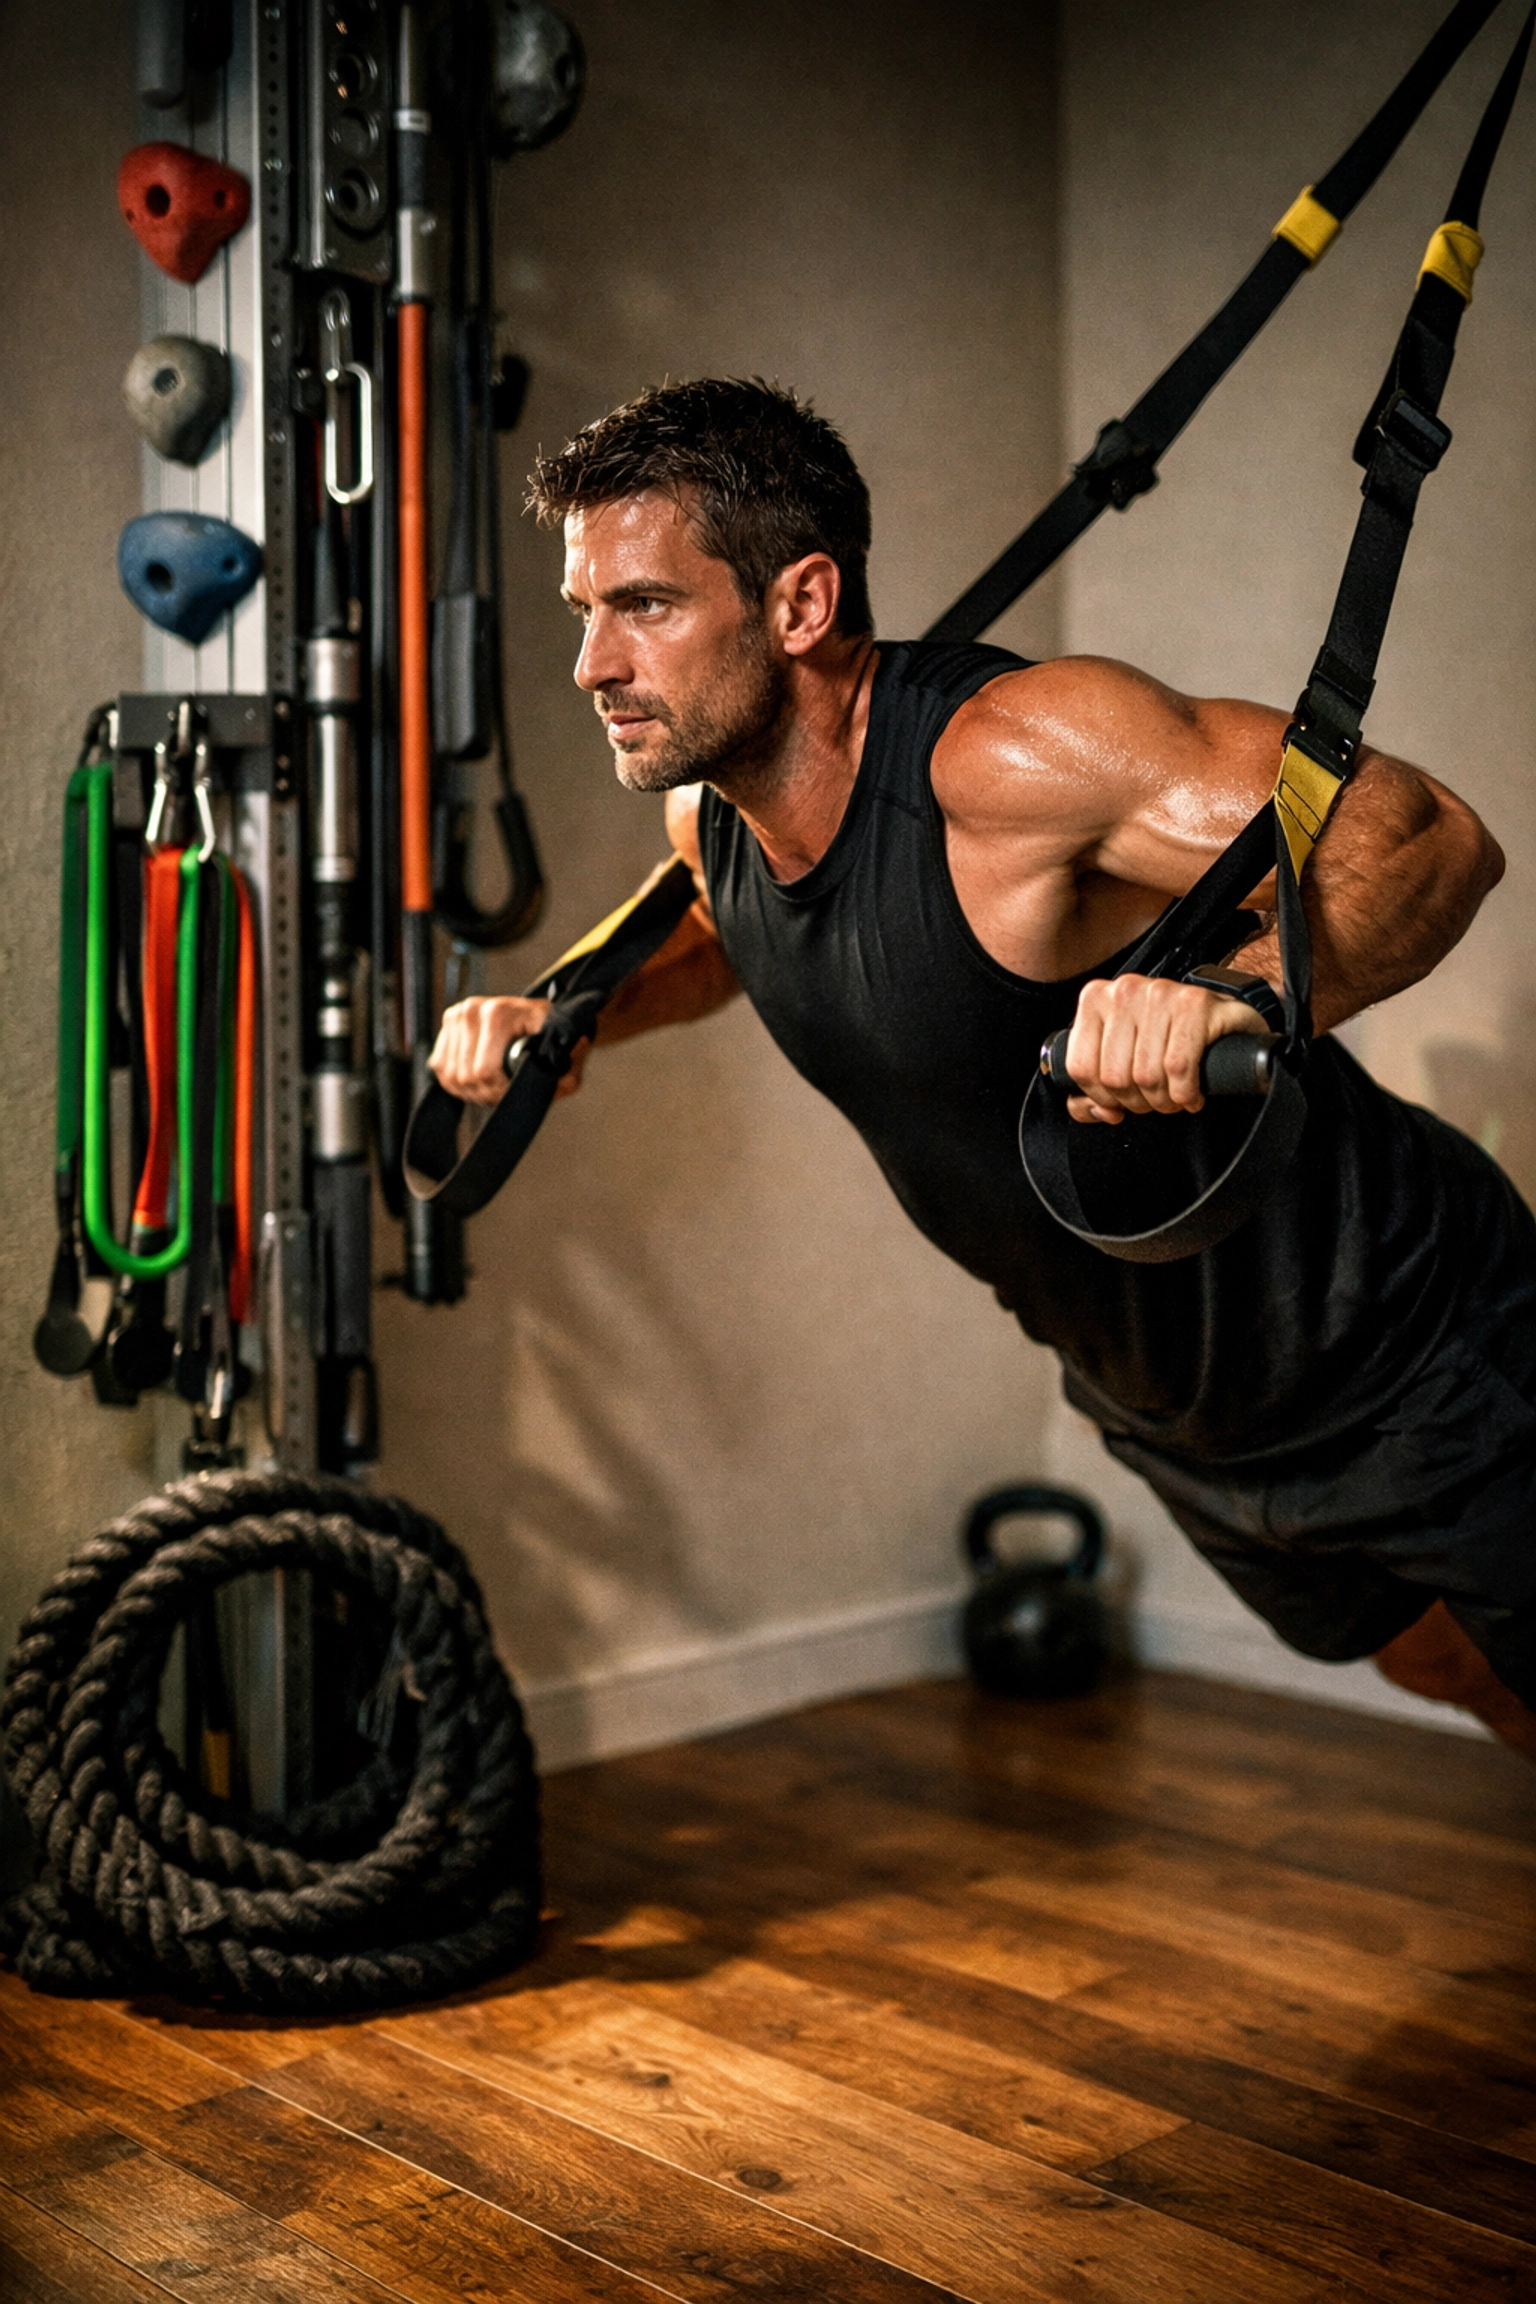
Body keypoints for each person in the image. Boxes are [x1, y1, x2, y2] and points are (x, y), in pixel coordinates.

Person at [430, 377, 1536, 1757]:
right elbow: (729, 942)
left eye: (642, 605)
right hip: (1170, 1402)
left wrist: (1238, 994)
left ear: (801, 605)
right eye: (584, 614)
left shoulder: (1009, 761)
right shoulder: (715, 828)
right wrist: (570, 1019)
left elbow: (1427, 837)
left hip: (1404, 1335)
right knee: (1451, 1673)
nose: (594, 663)